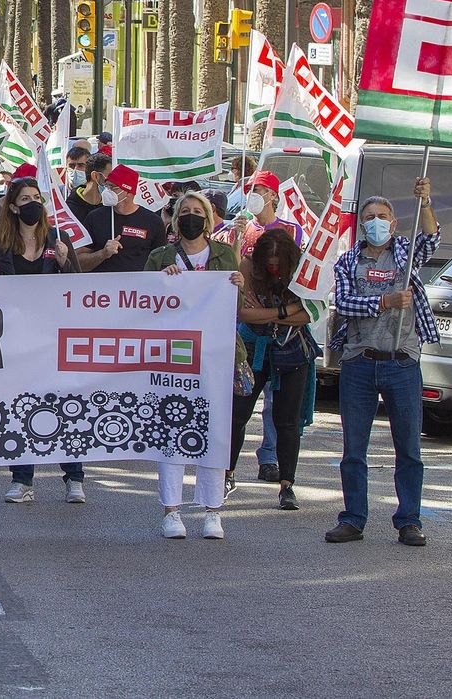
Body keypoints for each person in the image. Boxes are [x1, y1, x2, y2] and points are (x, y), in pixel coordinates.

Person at [326, 178, 440, 547]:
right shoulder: (348, 260)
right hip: (360, 362)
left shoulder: (405, 254)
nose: (376, 222)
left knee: (408, 447)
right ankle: (353, 519)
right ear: (362, 224)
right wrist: (384, 302)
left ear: (393, 223)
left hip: (401, 362)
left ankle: (409, 520)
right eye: (370, 217)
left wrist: (424, 203)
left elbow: (430, 241)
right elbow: (343, 303)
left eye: (383, 216)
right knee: (353, 449)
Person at [146, 192, 243, 539]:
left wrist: (237, 285)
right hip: (172, 356)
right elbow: (141, 303)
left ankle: (213, 510)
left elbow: (237, 307)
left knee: (214, 429)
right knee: (172, 428)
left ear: (209, 217)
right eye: (184, 212)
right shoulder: (160, 256)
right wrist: (161, 282)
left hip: (215, 354)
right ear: (175, 220)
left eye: (197, 212)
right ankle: (171, 511)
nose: (191, 217)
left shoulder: (225, 255)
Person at [0, 178, 85, 505]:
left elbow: (78, 288)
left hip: (53, 335)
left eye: (36, 198)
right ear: (13, 207)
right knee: (20, 407)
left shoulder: (58, 239)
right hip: (16, 338)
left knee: (62, 406)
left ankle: (74, 476)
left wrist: (64, 261)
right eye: (25, 199)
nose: (32, 204)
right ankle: (22, 478)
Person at [233, 229, 314, 511]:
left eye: (280, 264)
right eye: (269, 262)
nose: (274, 268)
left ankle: (287, 485)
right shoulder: (247, 265)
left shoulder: (303, 271)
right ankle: (227, 475)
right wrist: (285, 311)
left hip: (292, 352)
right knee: (238, 414)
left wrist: (277, 313)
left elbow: (310, 314)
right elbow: (244, 313)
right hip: (253, 349)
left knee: (287, 421)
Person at [78, 164, 166, 273]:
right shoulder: (95, 217)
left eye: (113, 187)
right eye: (107, 186)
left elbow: (162, 262)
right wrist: (103, 254)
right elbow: (78, 263)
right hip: (102, 288)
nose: (107, 191)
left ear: (128, 192)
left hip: (139, 288)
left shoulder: (153, 221)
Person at [218, 170, 304, 258]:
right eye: (248, 191)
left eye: (254, 190)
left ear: (273, 195)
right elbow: (233, 266)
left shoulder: (291, 230)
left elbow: (293, 266)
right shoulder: (239, 230)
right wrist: (237, 239)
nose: (249, 194)